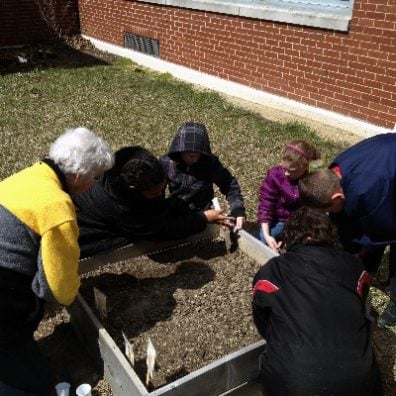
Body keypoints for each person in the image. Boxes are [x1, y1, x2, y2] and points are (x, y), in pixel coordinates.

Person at [0, 127, 113, 396]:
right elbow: (58, 287)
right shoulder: (56, 206)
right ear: (76, 175)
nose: (93, 185)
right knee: (33, 386)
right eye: (94, 178)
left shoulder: (28, 176)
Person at [252, 207, 382, 396]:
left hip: (290, 380)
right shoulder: (355, 267)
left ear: (288, 239)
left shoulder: (271, 271)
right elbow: (364, 313)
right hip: (355, 380)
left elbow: (262, 320)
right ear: (331, 237)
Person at [299, 133, 396, 328]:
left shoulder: (368, 191)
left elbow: (384, 229)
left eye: (328, 209)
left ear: (336, 195)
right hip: (384, 160)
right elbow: (343, 215)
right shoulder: (333, 171)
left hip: (386, 177)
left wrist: (362, 248)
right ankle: (364, 271)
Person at [74, 146, 232, 258]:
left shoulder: (133, 160)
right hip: (85, 226)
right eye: (153, 193)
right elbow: (161, 230)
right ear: (133, 188)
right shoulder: (122, 209)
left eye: (161, 189)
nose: (159, 195)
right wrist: (203, 219)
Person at [160, 121, 246, 231]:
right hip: (176, 211)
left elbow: (229, 185)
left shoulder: (209, 163)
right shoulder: (167, 163)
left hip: (204, 211)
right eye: (191, 156)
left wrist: (237, 209)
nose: (195, 160)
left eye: (198, 155)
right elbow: (156, 193)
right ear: (180, 150)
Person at [256, 139, 320, 250]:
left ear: (305, 167)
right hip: (280, 220)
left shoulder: (312, 176)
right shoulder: (275, 176)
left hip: (301, 220)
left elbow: (315, 205)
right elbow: (266, 205)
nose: (286, 173)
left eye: (292, 170)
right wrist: (267, 235)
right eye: (284, 168)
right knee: (262, 240)